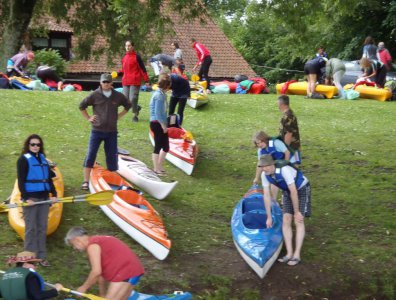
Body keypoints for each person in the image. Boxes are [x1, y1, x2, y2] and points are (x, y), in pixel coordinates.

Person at [79, 73, 131, 190]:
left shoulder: (117, 96)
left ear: (111, 83)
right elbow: (82, 106)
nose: (106, 84)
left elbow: (128, 105)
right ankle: (86, 181)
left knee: (112, 156)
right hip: (97, 131)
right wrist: (88, 118)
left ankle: (113, 181)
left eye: (108, 82)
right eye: (104, 82)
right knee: (91, 153)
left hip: (112, 132)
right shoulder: (94, 95)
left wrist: (119, 115)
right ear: (100, 83)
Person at [258, 155, 311, 266]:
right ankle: (289, 253)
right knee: (286, 219)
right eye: (262, 166)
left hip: (301, 189)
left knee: (298, 220)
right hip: (287, 191)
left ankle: (297, 255)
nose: (264, 168)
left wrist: (297, 212)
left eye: (266, 166)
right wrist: (268, 217)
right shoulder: (265, 175)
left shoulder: (284, 170)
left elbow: (294, 191)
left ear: (272, 164)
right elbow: (267, 196)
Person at [65, 227, 144, 300]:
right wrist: (102, 294)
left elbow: (96, 272)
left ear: (77, 240)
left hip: (126, 272)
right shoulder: (98, 241)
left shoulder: (92, 246)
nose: (75, 248)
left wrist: (84, 287)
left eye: (73, 245)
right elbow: (101, 274)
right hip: (134, 270)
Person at [17, 134, 58, 267]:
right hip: (31, 199)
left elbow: (48, 179)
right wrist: (26, 197)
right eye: (32, 144)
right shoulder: (23, 160)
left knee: (42, 227)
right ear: (28, 146)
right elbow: (21, 180)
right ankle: (29, 258)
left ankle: (41, 257)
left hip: (44, 198)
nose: (35, 147)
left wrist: (54, 194)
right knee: (31, 228)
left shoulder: (43, 159)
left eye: (38, 145)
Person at [119, 40, 150, 122]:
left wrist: (146, 80)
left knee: (133, 98)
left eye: (129, 45)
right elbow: (123, 69)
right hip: (125, 81)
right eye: (126, 46)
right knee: (125, 100)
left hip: (135, 81)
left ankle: (135, 115)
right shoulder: (124, 57)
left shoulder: (137, 57)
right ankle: (137, 107)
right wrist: (118, 73)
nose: (127, 47)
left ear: (132, 47)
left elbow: (142, 69)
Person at [150, 73, 171, 176]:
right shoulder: (159, 96)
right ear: (166, 86)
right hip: (157, 123)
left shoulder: (162, 94)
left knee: (166, 147)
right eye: (169, 86)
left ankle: (159, 166)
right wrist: (163, 126)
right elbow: (158, 113)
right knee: (158, 146)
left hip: (161, 123)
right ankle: (156, 169)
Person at [278, 95, 301, 165]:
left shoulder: (287, 117)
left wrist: (285, 148)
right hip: (295, 146)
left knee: (291, 166)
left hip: (291, 148)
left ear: (282, 104)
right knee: (295, 166)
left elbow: (289, 133)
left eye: (278, 104)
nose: (278, 106)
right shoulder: (290, 113)